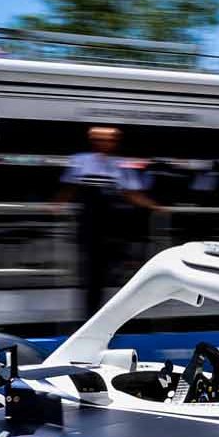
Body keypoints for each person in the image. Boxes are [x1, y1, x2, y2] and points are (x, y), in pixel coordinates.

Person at [55, 126, 159, 315]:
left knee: (107, 270)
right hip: (88, 223)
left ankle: (110, 309)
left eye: (109, 140)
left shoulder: (121, 164)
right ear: (93, 141)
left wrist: (153, 206)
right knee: (89, 271)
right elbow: (69, 187)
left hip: (111, 225)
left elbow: (130, 193)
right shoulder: (80, 160)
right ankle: (89, 313)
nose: (105, 143)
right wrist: (57, 204)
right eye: (100, 140)